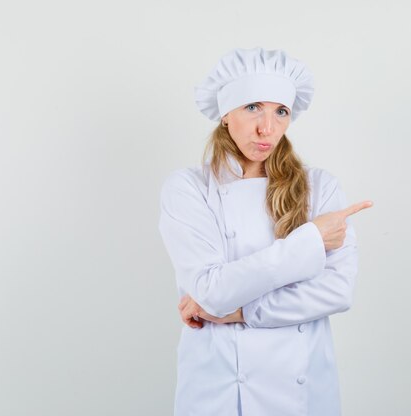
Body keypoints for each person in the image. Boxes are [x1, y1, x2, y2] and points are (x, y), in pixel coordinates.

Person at [158, 47, 372, 416]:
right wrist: (311, 241)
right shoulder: (189, 188)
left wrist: (239, 311)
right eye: (253, 107)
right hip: (219, 392)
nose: (267, 128)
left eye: (281, 112)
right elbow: (211, 290)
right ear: (226, 115)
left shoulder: (320, 187)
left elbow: (337, 291)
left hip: (303, 395)